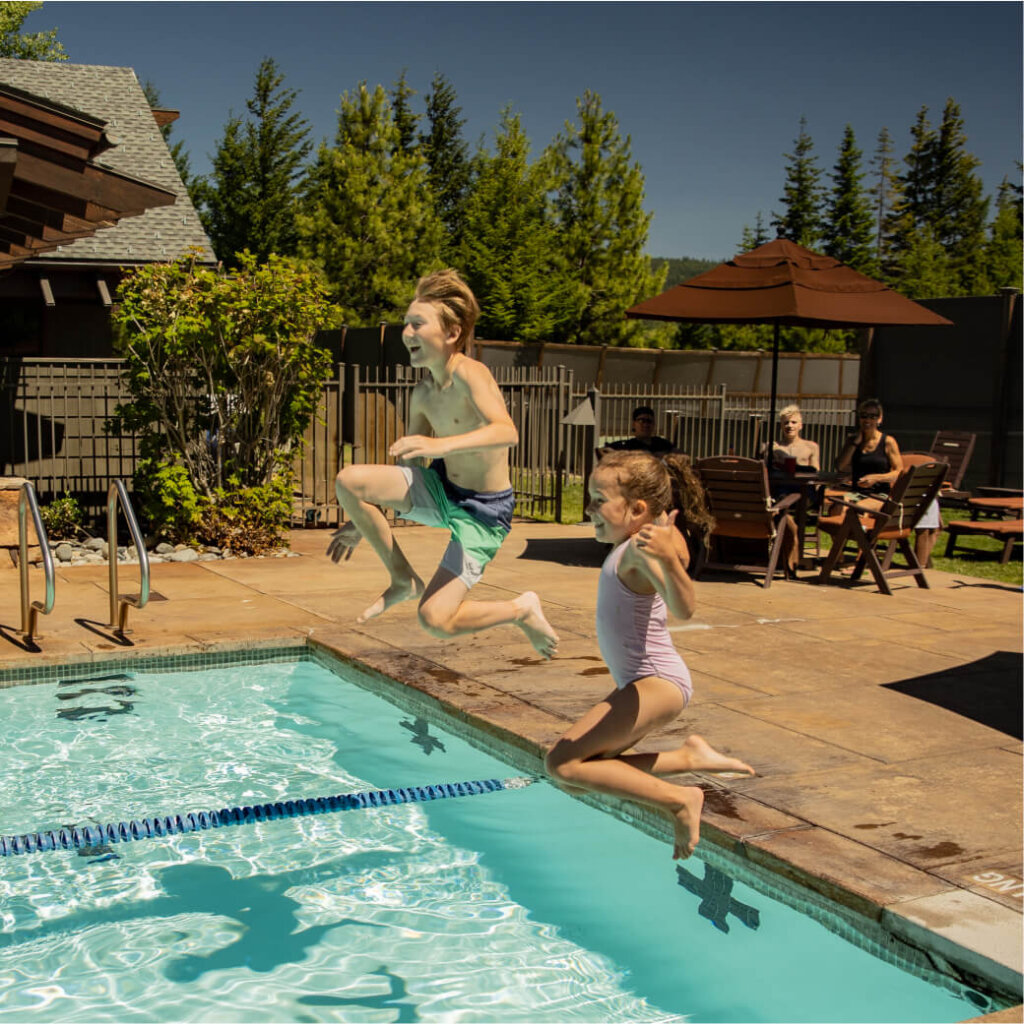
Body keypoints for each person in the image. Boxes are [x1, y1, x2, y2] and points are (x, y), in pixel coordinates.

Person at [327, 269, 559, 659]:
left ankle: (521, 609)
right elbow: (409, 466)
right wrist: (361, 518)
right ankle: (402, 578)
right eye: (405, 323)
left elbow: (507, 431)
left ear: (451, 333)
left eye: (418, 324)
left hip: (483, 511)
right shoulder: (421, 394)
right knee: (349, 481)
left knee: (435, 620)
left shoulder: (472, 374)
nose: (407, 332)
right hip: (440, 488)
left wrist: (440, 443)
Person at [544, 450, 754, 860]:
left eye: (598, 499)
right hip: (642, 681)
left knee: (562, 764)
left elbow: (685, 607)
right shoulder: (639, 542)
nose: (589, 509)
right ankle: (688, 757)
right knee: (582, 772)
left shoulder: (643, 548)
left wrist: (668, 558)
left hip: (655, 682)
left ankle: (680, 801)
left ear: (637, 508)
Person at [762, 404, 820, 472]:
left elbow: (816, 472)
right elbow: (764, 471)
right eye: (786, 423)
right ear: (781, 426)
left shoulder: (811, 447)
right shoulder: (772, 446)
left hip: (802, 482)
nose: (789, 425)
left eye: (793, 422)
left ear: (800, 426)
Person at [606, 406, 675, 454]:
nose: (645, 425)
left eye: (649, 421)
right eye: (641, 421)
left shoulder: (663, 445)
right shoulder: (626, 446)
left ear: (654, 424)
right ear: (634, 424)